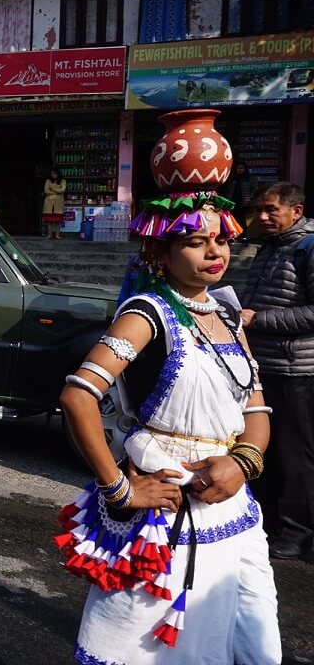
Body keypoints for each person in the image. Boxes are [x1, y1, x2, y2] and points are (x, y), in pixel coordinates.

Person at [56, 130, 280, 664]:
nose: (214, 251)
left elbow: (257, 410)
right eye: (195, 241)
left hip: (234, 509)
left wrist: (243, 463)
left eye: (220, 240)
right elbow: (78, 396)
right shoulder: (146, 314)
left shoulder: (226, 312)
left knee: (252, 644)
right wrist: (118, 489)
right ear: (161, 248)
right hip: (166, 507)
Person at [242, 182, 314, 559]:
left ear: (296, 211)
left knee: (293, 452)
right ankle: (270, 521)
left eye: (271, 210)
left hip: (295, 368)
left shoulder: (308, 246)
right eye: (258, 210)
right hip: (264, 364)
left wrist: (260, 319)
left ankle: (297, 532)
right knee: (264, 448)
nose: (263, 217)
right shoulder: (270, 247)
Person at [220, 162, 256, 230]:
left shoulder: (250, 178)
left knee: (242, 219)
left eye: (241, 168)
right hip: (232, 201)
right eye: (238, 168)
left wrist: (251, 198)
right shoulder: (232, 178)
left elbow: (254, 189)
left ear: (245, 169)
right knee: (233, 218)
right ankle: (234, 235)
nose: (239, 170)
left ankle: (243, 236)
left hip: (244, 202)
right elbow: (227, 189)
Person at [43, 168, 67, 239]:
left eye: (54, 173)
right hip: (49, 203)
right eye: (52, 173)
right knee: (49, 220)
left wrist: (52, 189)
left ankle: (57, 235)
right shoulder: (48, 181)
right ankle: (49, 235)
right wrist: (57, 192)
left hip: (58, 203)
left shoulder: (63, 181)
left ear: (58, 174)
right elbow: (46, 191)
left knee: (58, 220)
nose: (53, 175)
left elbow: (63, 190)